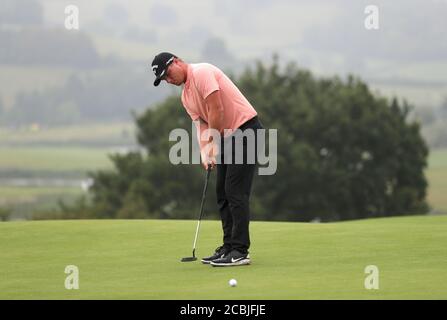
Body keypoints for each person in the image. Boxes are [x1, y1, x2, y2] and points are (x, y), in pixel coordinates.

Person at [151, 52, 263, 267]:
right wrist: (205, 151)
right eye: (164, 79)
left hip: (246, 131)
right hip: (226, 137)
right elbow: (200, 124)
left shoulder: (201, 72)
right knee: (222, 192)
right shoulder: (186, 96)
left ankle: (240, 251)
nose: (168, 80)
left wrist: (212, 144)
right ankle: (229, 246)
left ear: (176, 61)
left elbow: (216, 108)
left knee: (235, 191)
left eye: (168, 74)